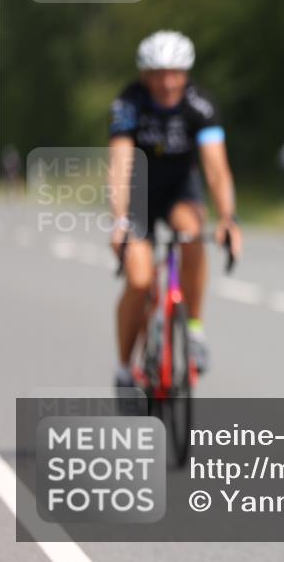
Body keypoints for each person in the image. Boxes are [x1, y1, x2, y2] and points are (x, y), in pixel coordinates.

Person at [108, 30, 242, 388]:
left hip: (180, 191)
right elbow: (119, 164)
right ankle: (124, 369)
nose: (167, 82)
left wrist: (228, 218)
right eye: (157, 74)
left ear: (186, 73)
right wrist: (119, 220)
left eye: (175, 73)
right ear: (144, 75)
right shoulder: (129, 104)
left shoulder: (200, 105)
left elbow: (216, 168)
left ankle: (193, 329)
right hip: (138, 194)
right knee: (139, 280)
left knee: (192, 235)